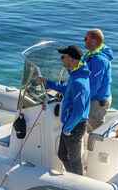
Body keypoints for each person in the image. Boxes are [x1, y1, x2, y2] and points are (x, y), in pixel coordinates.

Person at [39, 45, 91, 176]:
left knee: (74, 160)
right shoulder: (76, 75)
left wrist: (68, 129)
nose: (62, 60)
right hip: (69, 124)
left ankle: (77, 183)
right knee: (62, 154)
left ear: (72, 60)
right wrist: (49, 83)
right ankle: (72, 177)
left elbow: (79, 112)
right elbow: (68, 90)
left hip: (75, 126)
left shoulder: (79, 82)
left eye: (63, 57)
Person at [82, 28, 114, 133]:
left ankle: (100, 149)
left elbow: (93, 86)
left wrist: (79, 99)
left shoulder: (99, 60)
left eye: (86, 38)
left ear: (93, 41)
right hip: (97, 99)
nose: (84, 40)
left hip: (96, 102)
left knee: (96, 133)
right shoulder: (93, 54)